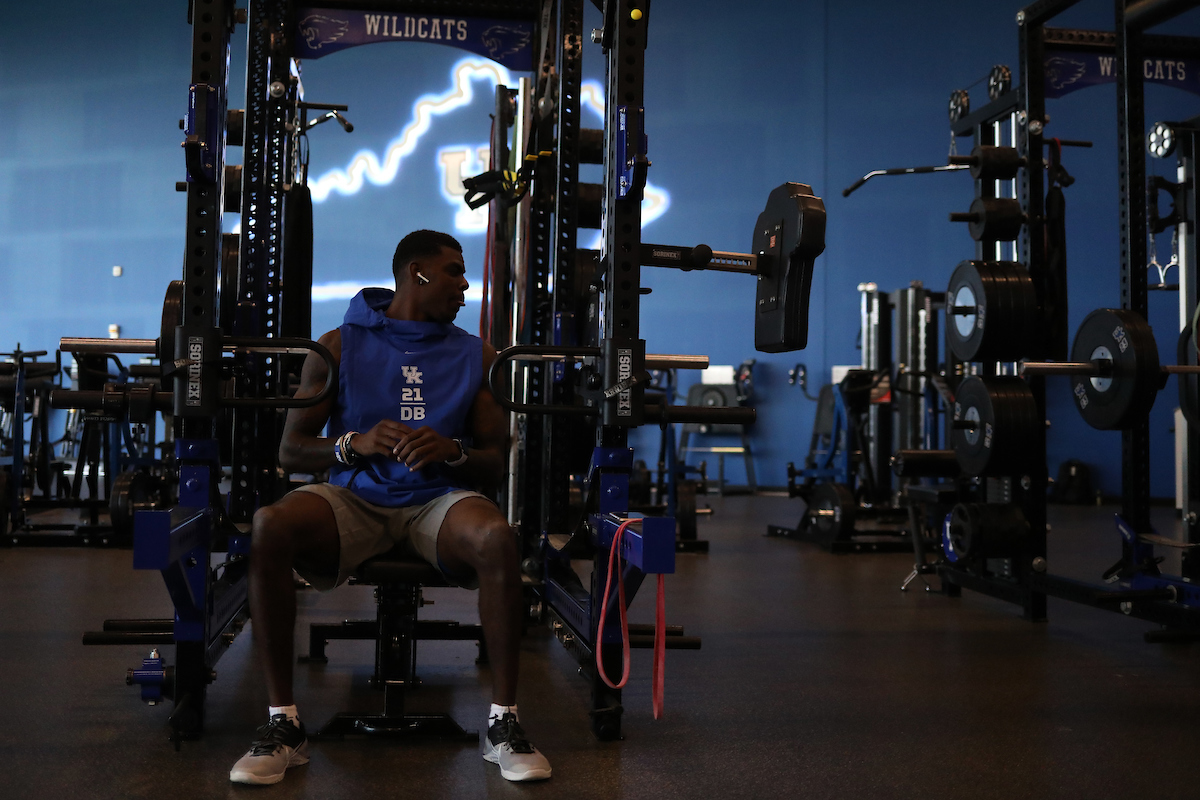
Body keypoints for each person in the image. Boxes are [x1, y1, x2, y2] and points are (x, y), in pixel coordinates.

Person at [228, 230, 551, 785]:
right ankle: (283, 725)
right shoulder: (338, 345)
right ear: (417, 273)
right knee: (269, 525)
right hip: (355, 497)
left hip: (437, 501)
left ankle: (504, 724)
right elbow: (290, 449)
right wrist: (353, 443)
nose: (465, 284)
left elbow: (494, 463)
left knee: (497, 537)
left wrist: (455, 451)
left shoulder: (478, 355)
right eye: (454, 271)